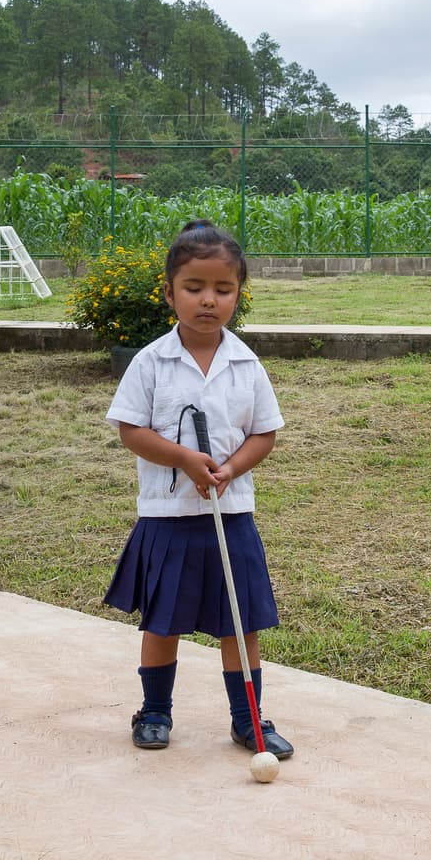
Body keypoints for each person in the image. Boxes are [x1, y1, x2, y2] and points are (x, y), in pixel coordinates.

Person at [104, 220, 292, 760]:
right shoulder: (150, 362)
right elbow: (130, 431)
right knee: (163, 621)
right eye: (194, 288)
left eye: (223, 289)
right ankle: (155, 712)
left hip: (231, 515)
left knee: (241, 621)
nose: (208, 300)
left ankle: (248, 720)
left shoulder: (247, 364)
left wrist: (230, 468)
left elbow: (265, 432)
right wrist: (185, 459)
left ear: (238, 294)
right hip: (167, 517)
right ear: (169, 292)